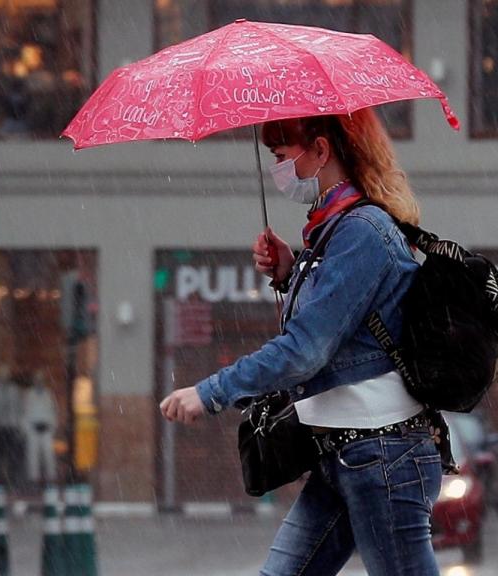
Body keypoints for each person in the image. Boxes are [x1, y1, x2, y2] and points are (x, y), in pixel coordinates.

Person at [160, 107, 442, 576]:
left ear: (321, 150)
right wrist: (291, 274)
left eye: (281, 153)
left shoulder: (360, 231)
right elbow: (346, 326)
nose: (278, 169)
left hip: (383, 456)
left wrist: (211, 392)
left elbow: (306, 350)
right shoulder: (333, 229)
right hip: (345, 452)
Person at [22, 370, 58, 485]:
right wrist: (27, 429)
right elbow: (24, 413)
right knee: (33, 455)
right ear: (34, 381)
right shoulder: (28, 395)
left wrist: (52, 427)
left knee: (48, 455)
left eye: (41, 380)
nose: (39, 382)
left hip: (46, 428)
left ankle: (50, 479)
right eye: (37, 380)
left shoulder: (49, 394)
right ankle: (34, 480)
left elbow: (53, 411)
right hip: (33, 429)